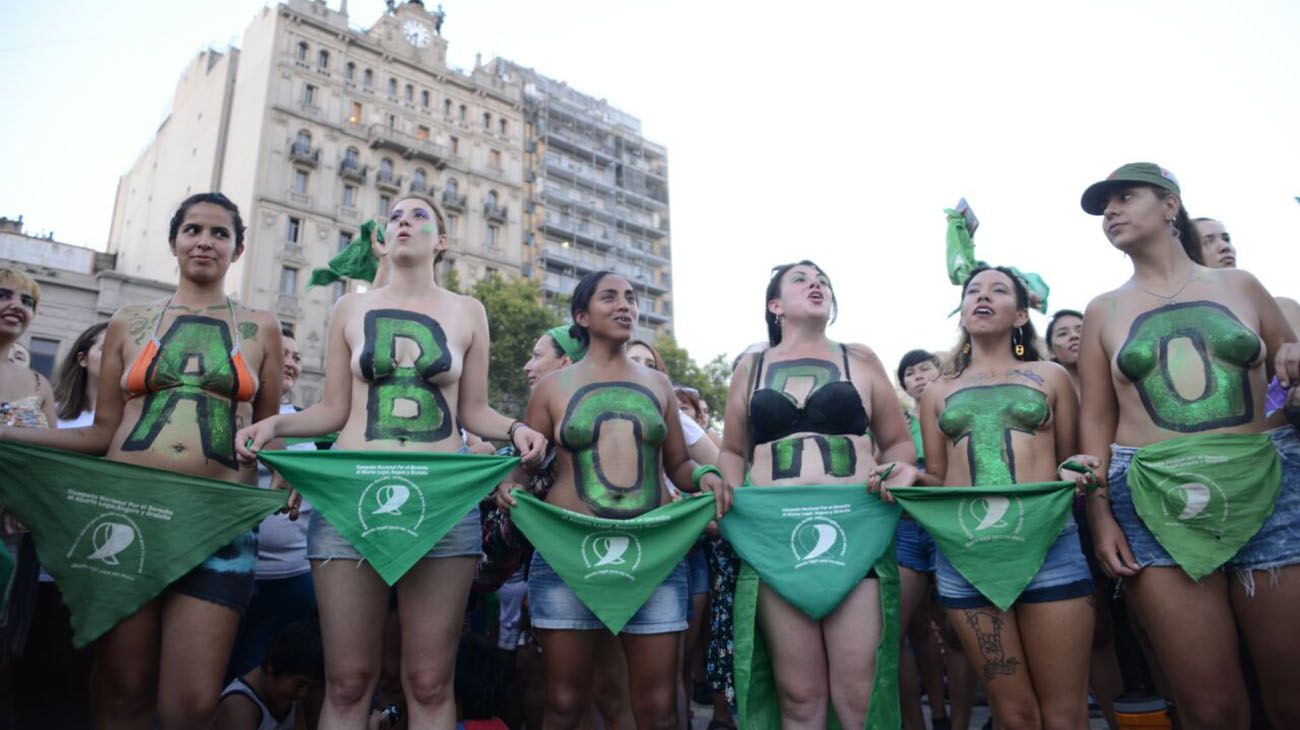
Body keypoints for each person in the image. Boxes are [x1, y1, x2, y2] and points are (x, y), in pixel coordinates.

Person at [236, 192, 546, 729]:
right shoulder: (349, 307)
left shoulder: (468, 311)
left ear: (442, 241)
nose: (404, 221)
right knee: (349, 681)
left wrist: (518, 429)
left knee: (429, 682)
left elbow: (474, 410)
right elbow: (333, 410)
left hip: (442, 505)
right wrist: (277, 424)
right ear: (384, 237)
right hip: (351, 502)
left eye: (420, 215)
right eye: (395, 216)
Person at [0, 193, 285, 729]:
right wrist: (9, 434)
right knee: (123, 691)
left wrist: (276, 486)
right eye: (193, 230)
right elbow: (102, 432)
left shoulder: (261, 326)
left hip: (217, 524)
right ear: (174, 243)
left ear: (238, 249)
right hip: (129, 514)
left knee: (191, 705)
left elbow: (269, 438)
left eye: (220, 233)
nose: (205, 241)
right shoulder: (128, 322)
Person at [1077, 163, 1300, 729]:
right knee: (1211, 710)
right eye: (1106, 207)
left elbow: (1288, 377)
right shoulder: (1103, 308)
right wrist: (1100, 514)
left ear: (1170, 206)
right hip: (1155, 500)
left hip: (1268, 486)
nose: (1111, 212)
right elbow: (1095, 421)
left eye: (1126, 197)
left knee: (1292, 698)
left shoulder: (1242, 285)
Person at [496, 270, 729, 730]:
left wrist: (704, 474)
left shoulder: (659, 386)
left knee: (658, 708)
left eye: (631, 298)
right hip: (567, 557)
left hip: (653, 557)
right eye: (610, 298)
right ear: (581, 315)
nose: (626, 305)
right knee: (564, 703)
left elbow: (678, 465)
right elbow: (524, 467)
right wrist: (509, 485)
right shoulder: (551, 388)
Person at [720, 260, 916, 728]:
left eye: (822, 280)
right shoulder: (751, 367)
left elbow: (898, 441)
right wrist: (724, 498)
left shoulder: (861, 358)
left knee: (857, 695)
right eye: (801, 279)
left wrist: (902, 468)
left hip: (856, 531)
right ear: (775, 305)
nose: (816, 284)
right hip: (773, 538)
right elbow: (732, 451)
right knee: (800, 698)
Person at [915, 265, 1094, 729]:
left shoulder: (1051, 375)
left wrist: (1081, 470)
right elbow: (936, 477)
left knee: (1064, 714)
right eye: (973, 290)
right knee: (1014, 715)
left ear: (1020, 314)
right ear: (962, 312)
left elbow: (1070, 460)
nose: (983, 295)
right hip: (966, 555)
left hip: (1050, 546)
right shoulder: (937, 392)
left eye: (998, 290)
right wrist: (906, 476)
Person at [10, 320, 107, 727]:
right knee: (32, 680)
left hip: (104, 579)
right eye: (108, 346)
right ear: (82, 358)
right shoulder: (52, 417)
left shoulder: (138, 426)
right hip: (45, 571)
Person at [227, 326, 319, 681]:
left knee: (274, 687)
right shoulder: (226, 416)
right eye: (283, 354)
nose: (292, 364)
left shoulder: (311, 425)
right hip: (229, 575)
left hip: (292, 580)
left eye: (297, 358)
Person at [895, 348, 974, 730]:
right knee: (898, 629)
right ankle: (919, 722)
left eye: (925, 368)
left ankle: (955, 723)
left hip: (953, 525)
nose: (918, 376)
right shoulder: (896, 424)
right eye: (909, 373)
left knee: (959, 633)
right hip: (907, 529)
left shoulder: (959, 409)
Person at [215, 620, 324, 730]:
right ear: (271, 667)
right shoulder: (237, 706)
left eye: (309, 687)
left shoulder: (291, 697)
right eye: (300, 684)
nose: (303, 693)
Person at [1046, 310, 1083, 395]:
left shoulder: (1115, 380)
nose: (1074, 336)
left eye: (1080, 330)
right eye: (1062, 334)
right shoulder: (1046, 393)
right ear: (1051, 350)